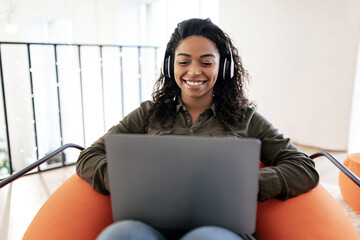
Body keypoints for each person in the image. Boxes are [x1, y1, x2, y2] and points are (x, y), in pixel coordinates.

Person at [76, 18, 319, 240]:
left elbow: (304, 167)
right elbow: (89, 157)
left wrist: (250, 182)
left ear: (223, 68)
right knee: (120, 235)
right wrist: (123, 179)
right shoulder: (147, 113)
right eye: (184, 62)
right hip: (152, 227)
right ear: (171, 65)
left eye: (206, 63)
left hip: (220, 229)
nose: (194, 72)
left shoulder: (247, 119)